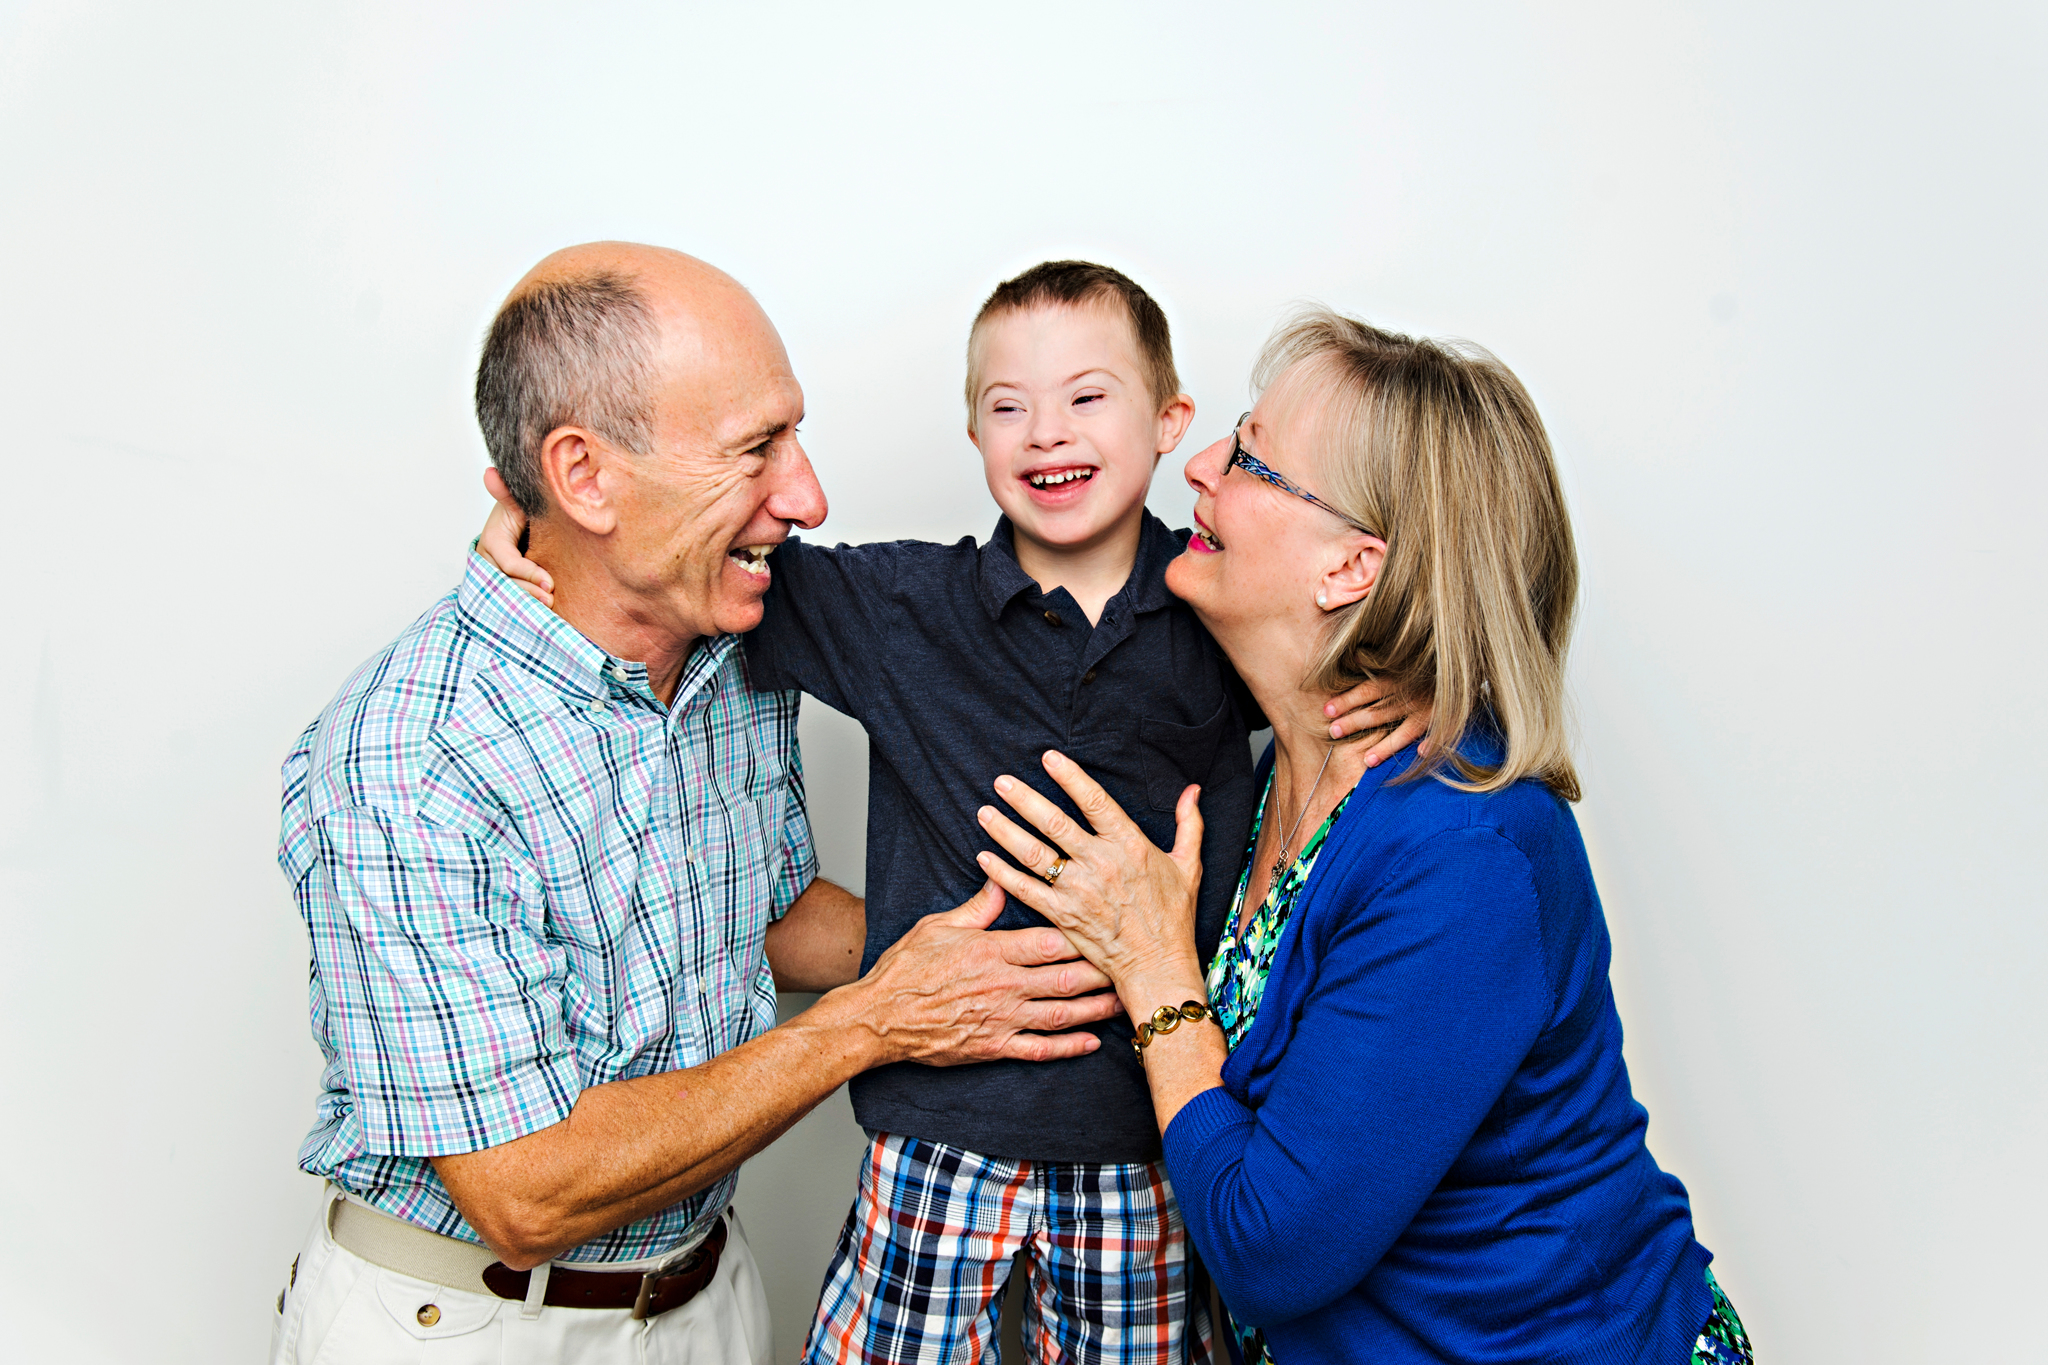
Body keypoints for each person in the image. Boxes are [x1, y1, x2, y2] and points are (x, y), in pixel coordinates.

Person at [476, 261, 1422, 1365]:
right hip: (937, 1134)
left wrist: (1410, 682)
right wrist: (525, 539)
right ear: (970, 431)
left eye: (1086, 396)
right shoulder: (893, 607)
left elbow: (1339, 642)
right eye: (1005, 406)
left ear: (1170, 421)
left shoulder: (1216, 602)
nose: (1044, 433)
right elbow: (660, 554)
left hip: (1147, 1140)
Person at [271, 243, 1133, 1365]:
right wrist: (878, 1019)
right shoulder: (404, 759)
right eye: (753, 451)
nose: (807, 496)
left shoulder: (720, 644)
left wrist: (1013, 963)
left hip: (706, 1301)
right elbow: (523, 1189)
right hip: (468, 1328)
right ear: (583, 478)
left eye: (794, 435)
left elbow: (757, 909)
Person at [970, 310, 1754, 1363]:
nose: (1197, 465)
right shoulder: (1278, 772)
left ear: (1349, 569)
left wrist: (1155, 966)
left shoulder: (1461, 853)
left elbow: (1270, 1249)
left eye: (1247, 457)